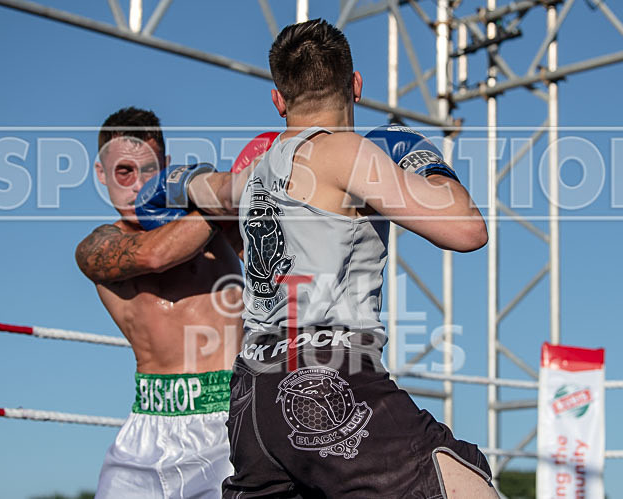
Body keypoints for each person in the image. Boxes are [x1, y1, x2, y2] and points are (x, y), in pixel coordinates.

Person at [185, 20, 498, 498]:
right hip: (330, 374)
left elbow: (204, 189)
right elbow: (466, 228)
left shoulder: (248, 178)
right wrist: (419, 158)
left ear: (279, 98)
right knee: (462, 485)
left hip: (252, 401)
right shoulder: (345, 150)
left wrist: (176, 180)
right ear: (355, 85)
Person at [75, 107, 245, 498]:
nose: (137, 185)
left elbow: (276, 261)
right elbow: (154, 255)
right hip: (144, 433)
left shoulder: (219, 229)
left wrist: (210, 191)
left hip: (227, 427)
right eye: (124, 172)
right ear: (102, 174)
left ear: (166, 167)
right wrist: (214, 199)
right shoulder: (96, 248)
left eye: (149, 171)